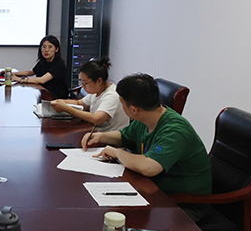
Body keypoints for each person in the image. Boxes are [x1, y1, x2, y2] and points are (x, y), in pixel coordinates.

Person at [81, 73, 212, 221]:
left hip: (183, 204)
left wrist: (116, 153)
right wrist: (101, 136)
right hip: (153, 190)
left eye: (122, 104)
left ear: (134, 110)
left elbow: (149, 167)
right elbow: (124, 137)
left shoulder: (175, 131)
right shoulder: (145, 117)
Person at [50, 56, 128, 132]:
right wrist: (60, 102)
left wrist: (66, 108)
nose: (83, 86)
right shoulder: (97, 91)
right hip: (96, 132)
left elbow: (97, 119)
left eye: (85, 83)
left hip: (110, 137)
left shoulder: (111, 95)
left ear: (99, 81)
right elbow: (78, 103)